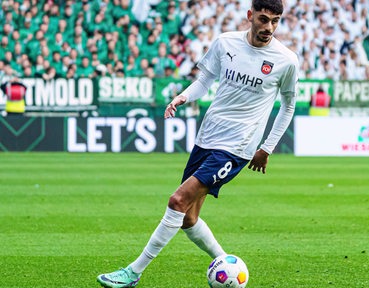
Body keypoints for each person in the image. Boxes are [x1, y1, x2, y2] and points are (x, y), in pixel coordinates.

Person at [96, 0, 299, 287]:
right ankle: (226, 261)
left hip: (238, 146)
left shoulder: (286, 60)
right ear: (250, 15)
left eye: (275, 21)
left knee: (177, 201)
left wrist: (267, 147)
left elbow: (288, 106)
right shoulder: (225, 43)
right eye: (264, 19)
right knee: (189, 218)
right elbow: (204, 81)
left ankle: (133, 272)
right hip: (208, 136)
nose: (269, 28)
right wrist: (183, 96)